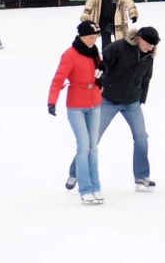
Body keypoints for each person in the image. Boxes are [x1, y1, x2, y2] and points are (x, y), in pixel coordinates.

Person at [65, 26, 159, 193]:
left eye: (153, 45)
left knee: (141, 137)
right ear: (139, 38)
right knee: (91, 139)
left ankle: (141, 176)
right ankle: (75, 173)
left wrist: (141, 98)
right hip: (108, 99)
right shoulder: (118, 47)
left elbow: (147, 78)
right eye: (148, 43)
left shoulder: (148, 57)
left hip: (131, 102)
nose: (150, 47)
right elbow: (100, 66)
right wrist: (97, 87)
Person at [48, 21, 105, 205]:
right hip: (76, 105)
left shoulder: (94, 52)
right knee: (83, 146)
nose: (93, 40)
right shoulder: (70, 55)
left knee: (93, 147)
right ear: (81, 36)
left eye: (96, 37)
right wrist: (52, 101)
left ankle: (96, 187)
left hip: (95, 102)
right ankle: (86, 189)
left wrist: (102, 73)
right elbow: (58, 79)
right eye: (90, 37)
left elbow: (100, 69)